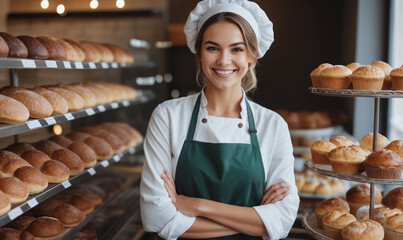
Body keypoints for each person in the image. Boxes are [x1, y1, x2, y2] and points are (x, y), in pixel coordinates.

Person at [140, 0, 299, 239]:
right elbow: (155, 217)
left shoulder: (273, 125)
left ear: (251, 57)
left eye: (237, 49)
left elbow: (284, 220)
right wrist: (256, 218)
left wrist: (199, 206)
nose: (224, 60)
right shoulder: (168, 116)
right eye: (212, 48)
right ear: (199, 54)